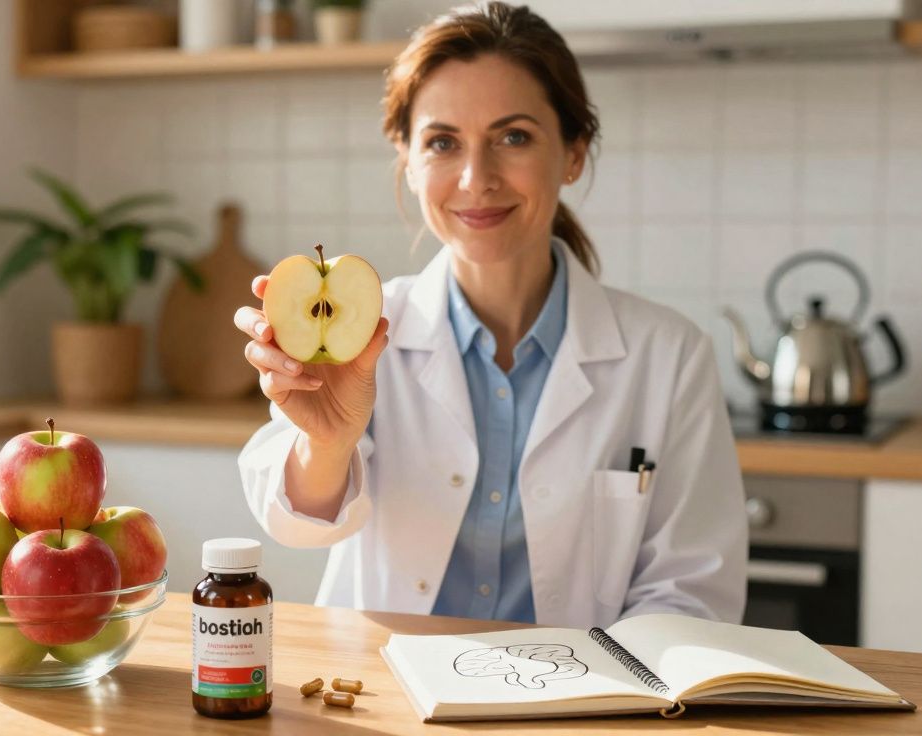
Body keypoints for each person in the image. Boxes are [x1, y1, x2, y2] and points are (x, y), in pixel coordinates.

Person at [232, 2, 746, 629]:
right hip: (386, 704)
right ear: (408, 160)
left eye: (513, 137)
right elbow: (298, 522)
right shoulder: (360, 331)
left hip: (579, 709)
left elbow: (690, 595)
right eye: (443, 142)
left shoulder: (670, 356)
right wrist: (327, 442)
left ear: (574, 153)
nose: (477, 179)